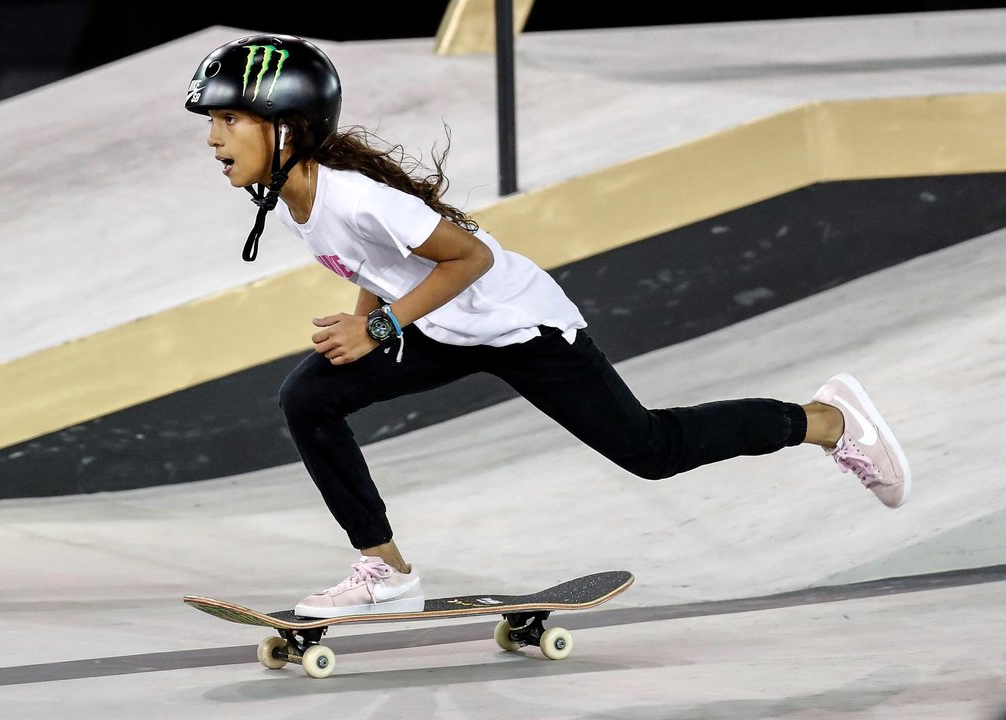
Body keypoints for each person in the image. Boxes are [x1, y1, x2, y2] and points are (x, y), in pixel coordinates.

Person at [184, 34, 912, 619]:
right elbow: (377, 271)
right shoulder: (293, 198)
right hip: (442, 326)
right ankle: (387, 570)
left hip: (521, 325)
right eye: (214, 122)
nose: (214, 138)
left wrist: (378, 332)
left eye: (227, 120)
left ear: (287, 130)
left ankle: (824, 420)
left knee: (651, 449)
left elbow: (465, 257)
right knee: (308, 397)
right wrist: (363, 321)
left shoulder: (354, 196)